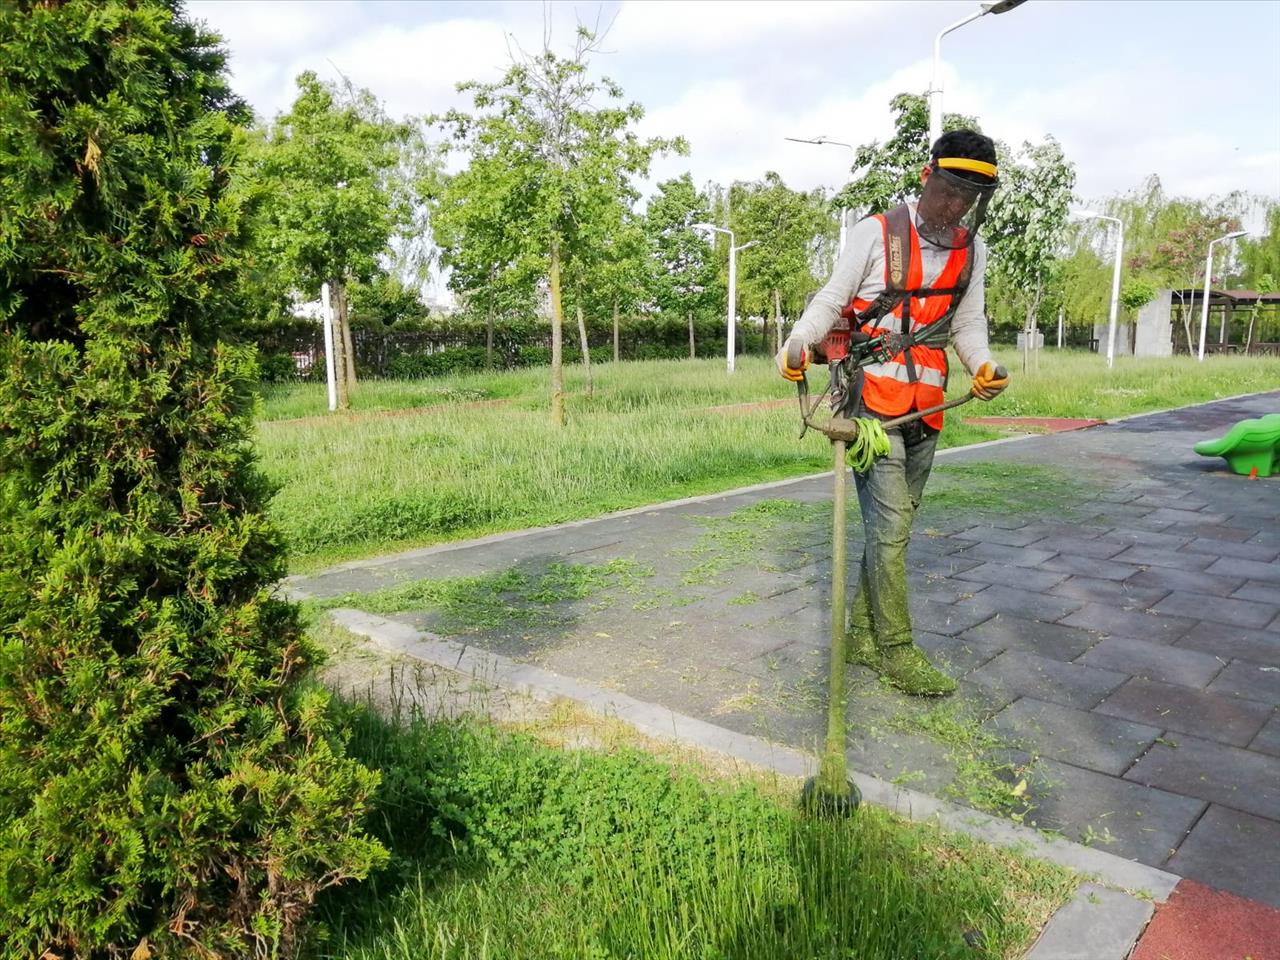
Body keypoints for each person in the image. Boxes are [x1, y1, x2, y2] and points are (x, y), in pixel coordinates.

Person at [776, 129, 1010, 696]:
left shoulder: (971, 250)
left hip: (927, 406)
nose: (955, 206)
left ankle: (860, 637)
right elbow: (832, 298)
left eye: (969, 197)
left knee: (893, 529)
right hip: (870, 404)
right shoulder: (877, 233)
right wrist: (798, 342)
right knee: (892, 528)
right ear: (928, 176)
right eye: (950, 190)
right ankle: (896, 650)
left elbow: (967, 323)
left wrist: (984, 364)